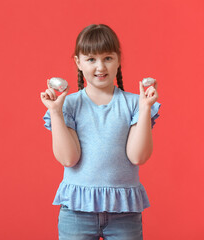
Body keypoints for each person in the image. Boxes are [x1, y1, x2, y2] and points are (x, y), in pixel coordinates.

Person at [40, 24, 161, 240]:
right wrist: (56, 113)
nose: (100, 67)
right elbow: (69, 159)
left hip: (124, 211)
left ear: (118, 60)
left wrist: (145, 109)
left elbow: (138, 156)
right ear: (78, 62)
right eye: (91, 59)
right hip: (77, 210)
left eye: (107, 58)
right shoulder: (69, 104)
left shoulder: (135, 103)